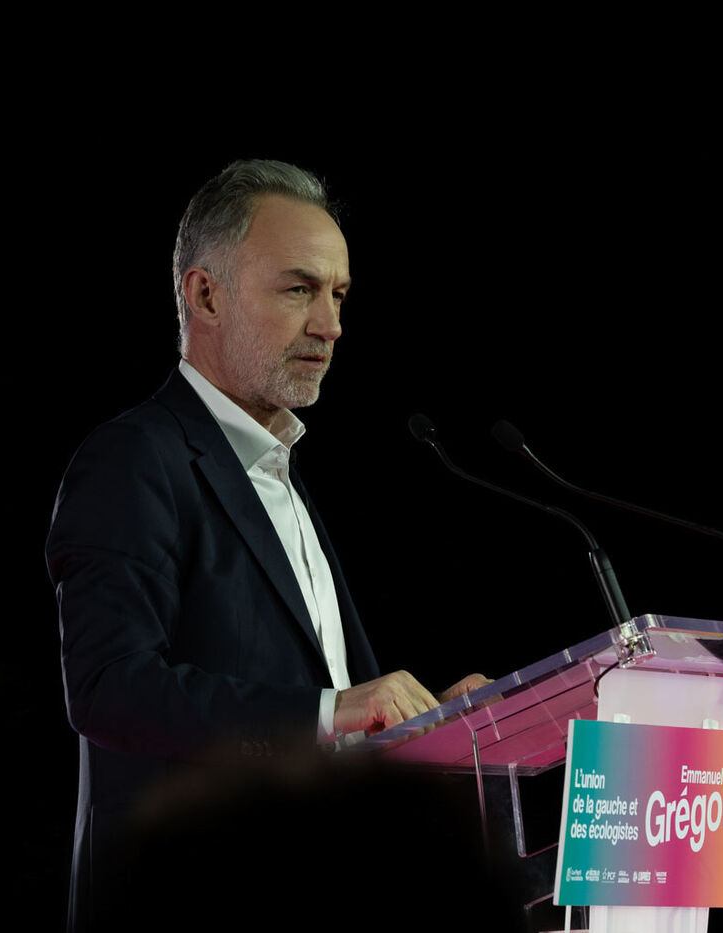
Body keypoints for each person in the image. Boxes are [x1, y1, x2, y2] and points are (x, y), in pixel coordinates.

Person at [46, 159, 487, 929]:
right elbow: (111, 689)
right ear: (205, 295)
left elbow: (326, 716)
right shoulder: (136, 459)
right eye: (299, 289)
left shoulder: (279, 475)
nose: (331, 325)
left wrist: (423, 729)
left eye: (338, 295)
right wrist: (334, 711)